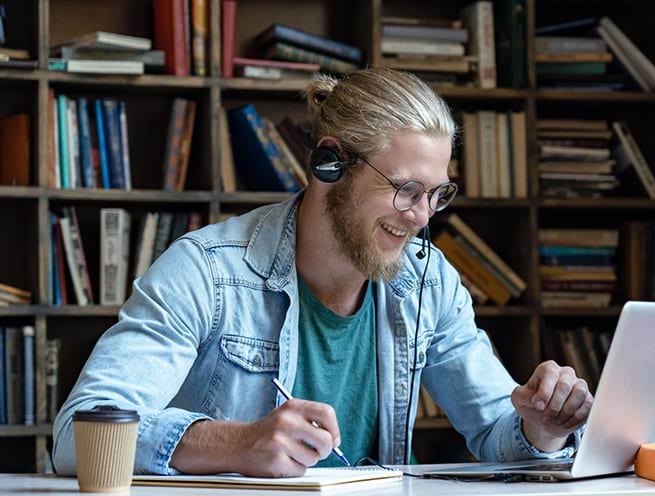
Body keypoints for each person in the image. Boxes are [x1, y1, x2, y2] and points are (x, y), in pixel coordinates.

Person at [53, 67, 593, 477]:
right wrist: (237, 443)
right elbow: (79, 435)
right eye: (406, 190)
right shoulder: (205, 270)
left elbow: (498, 432)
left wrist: (541, 429)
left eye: (436, 195)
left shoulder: (430, 282)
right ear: (330, 163)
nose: (423, 218)